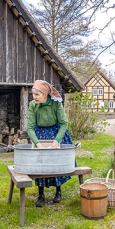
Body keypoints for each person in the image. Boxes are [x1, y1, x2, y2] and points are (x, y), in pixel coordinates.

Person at [26, 79, 74, 207]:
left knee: (56, 162)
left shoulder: (56, 104)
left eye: (37, 94)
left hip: (55, 131)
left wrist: (57, 140)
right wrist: (37, 143)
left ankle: (58, 191)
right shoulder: (32, 105)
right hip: (40, 133)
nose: (34, 97)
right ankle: (41, 195)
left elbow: (64, 124)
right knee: (40, 163)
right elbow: (30, 127)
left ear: (45, 94)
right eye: (33, 94)